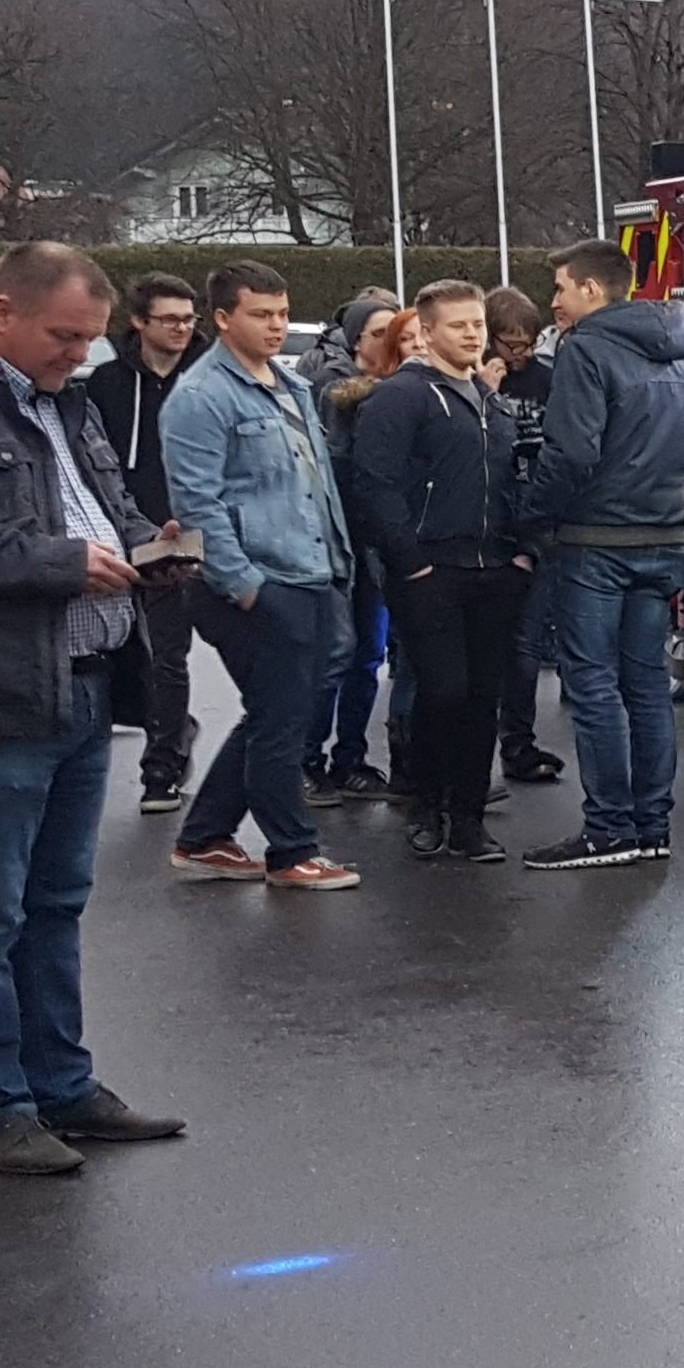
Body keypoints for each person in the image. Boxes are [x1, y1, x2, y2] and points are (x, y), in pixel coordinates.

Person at [0, 244, 186, 1176]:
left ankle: (63, 1087)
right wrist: (60, 563)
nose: (80, 356)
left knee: (58, 902)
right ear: (1, 311)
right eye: (64, 337)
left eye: (87, 340)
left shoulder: (70, 403)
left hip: (85, 683)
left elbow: (104, 505)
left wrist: (147, 547)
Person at [520, 237, 684, 870]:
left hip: (594, 545)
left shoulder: (586, 350)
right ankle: (651, 825)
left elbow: (572, 454)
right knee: (646, 686)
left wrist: (529, 513)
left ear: (591, 289)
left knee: (594, 687)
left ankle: (608, 828)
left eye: (558, 288)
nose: (552, 302)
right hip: (664, 542)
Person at [161, 262, 362, 894]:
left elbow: (315, 482)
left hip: (314, 572)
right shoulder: (200, 397)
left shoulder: (290, 386)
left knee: (281, 712)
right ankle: (290, 850)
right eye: (261, 314)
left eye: (282, 314)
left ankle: (206, 838)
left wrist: (338, 563)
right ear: (223, 319)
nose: (277, 326)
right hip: (259, 582)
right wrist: (245, 585)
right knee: (283, 718)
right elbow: (197, 505)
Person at [354, 282, 532, 863]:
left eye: (477, 323)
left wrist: (523, 553)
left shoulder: (491, 402)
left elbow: (516, 480)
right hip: (430, 573)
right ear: (426, 333)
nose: (474, 334)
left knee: (483, 699)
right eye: (458, 326)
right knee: (442, 694)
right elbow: (375, 486)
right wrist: (411, 564)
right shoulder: (399, 399)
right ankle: (427, 809)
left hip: (495, 570)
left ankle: (470, 819)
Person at [86, 271, 205, 817]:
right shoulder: (106, 384)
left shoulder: (206, 379)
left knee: (169, 654)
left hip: (191, 531)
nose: (182, 328)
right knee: (141, 651)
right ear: (139, 322)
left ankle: (162, 766)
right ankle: (171, 731)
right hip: (127, 531)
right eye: (170, 319)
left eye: (189, 318)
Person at [299, 288, 403, 801]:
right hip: (339, 540)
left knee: (368, 654)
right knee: (332, 655)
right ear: (358, 339)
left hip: (376, 543)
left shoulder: (399, 387)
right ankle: (306, 760)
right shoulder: (330, 387)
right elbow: (338, 463)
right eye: (379, 334)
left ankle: (351, 758)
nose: (390, 342)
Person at [481, 288, 565, 788]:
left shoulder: (547, 381)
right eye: (511, 345)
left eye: (529, 344)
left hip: (532, 525)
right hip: (482, 525)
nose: (522, 355)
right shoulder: (473, 381)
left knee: (525, 646)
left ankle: (518, 742)